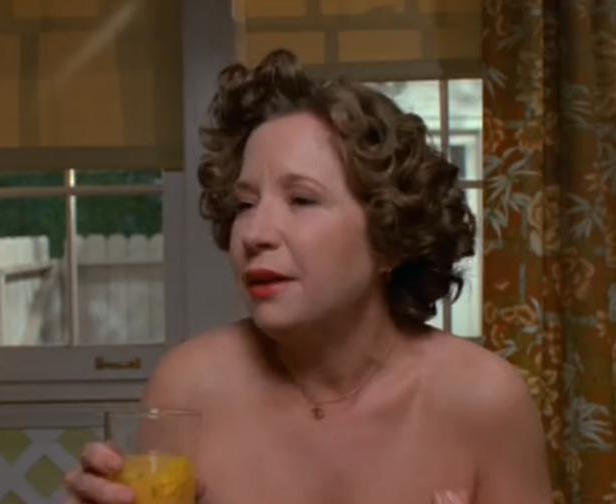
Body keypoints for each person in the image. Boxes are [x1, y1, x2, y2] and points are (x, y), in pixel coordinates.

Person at [65, 49, 552, 504]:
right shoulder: (188, 389)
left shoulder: (485, 401)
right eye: (245, 204)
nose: (254, 234)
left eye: (301, 199)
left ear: (390, 235)